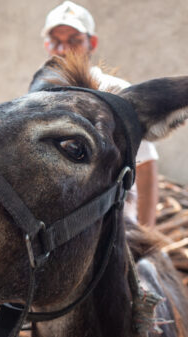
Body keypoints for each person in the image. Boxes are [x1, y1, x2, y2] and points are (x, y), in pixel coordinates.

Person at [40, 0, 159, 227]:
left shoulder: (116, 92)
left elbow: (146, 166)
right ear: (47, 46)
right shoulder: (40, 99)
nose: (63, 49)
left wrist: (146, 231)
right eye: (56, 42)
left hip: (115, 227)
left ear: (91, 43)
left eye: (74, 40)